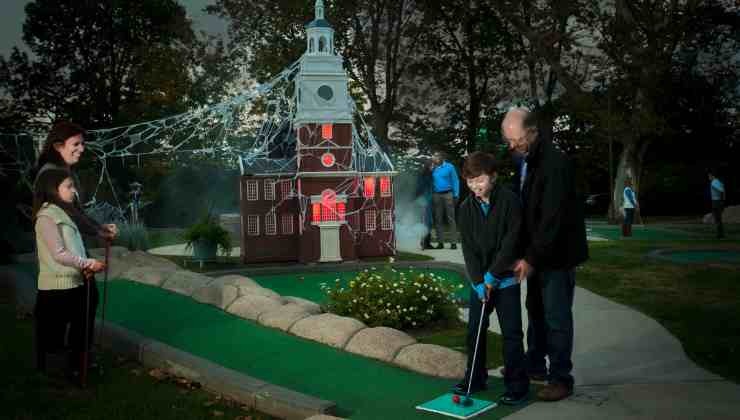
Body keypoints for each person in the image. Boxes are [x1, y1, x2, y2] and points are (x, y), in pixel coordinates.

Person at [502, 108, 588, 402]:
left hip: (558, 255)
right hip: (537, 254)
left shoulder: (555, 164)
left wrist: (531, 258)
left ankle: (561, 377)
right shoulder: (525, 159)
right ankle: (535, 364)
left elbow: (551, 219)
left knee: (556, 317)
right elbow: (524, 208)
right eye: (508, 141)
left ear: (533, 132)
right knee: (535, 311)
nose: (512, 146)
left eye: (516, 140)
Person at [33, 122, 118, 375]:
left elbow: (75, 211)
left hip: (71, 254)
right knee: (72, 310)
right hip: (59, 261)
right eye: (76, 144)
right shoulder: (51, 174)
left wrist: (98, 229)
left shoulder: (62, 170)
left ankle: (78, 359)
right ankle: (74, 361)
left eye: (83, 143)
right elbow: (69, 214)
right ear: (58, 145)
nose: (82, 148)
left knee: (86, 301)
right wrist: (98, 230)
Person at [455, 151, 530, 405]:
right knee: (475, 330)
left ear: (493, 177)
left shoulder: (509, 201)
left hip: (505, 279)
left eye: (480, 179)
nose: (476, 185)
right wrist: (478, 281)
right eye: (470, 180)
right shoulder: (465, 208)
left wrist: (492, 275)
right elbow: (469, 249)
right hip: (481, 283)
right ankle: (475, 378)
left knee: (511, 333)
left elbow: (511, 242)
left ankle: (517, 385)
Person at [33, 167, 106, 382]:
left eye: (73, 186)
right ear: (52, 190)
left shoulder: (66, 213)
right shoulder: (46, 217)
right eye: (68, 186)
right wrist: (88, 263)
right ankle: (57, 374)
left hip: (78, 281)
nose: (74, 191)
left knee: (83, 326)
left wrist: (85, 266)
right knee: (54, 335)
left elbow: (75, 247)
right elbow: (59, 254)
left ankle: (78, 365)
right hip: (57, 288)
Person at [430, 151, 460, 249]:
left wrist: (456, 194)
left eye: (436, 157)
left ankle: (453, 242)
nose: (434, 158)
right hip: (436, 195)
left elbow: (455, 180)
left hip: (448, 194)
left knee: (451, 218)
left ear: (442, 158)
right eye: (434, 157)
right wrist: (430, 170)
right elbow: (427, 180)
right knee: (438, 219)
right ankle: (440, 242)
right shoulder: (432, 168)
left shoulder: (449, 167)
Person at [415, 159, 434, 249]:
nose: (433, 167)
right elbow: (420, 188)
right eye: (432, 166)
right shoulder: (425, 175)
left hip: (426, 199)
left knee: (427, 221)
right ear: (428, 166)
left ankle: (425, 242)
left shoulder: (427, 174)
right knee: (426, 221)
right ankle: (425, 243)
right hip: (425, 200)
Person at [708, 170, 725, 239]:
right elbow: (723, 189)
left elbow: (721, 190)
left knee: (717, 218)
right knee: (718, 218)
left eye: (709, 176)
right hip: (718, 201)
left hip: (716, 201)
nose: (708, 178)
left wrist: (720, 200)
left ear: (712, 176)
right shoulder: (718, 181)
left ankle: (719, 234)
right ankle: (720, 233)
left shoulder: (714, 182)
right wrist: (722, 200)